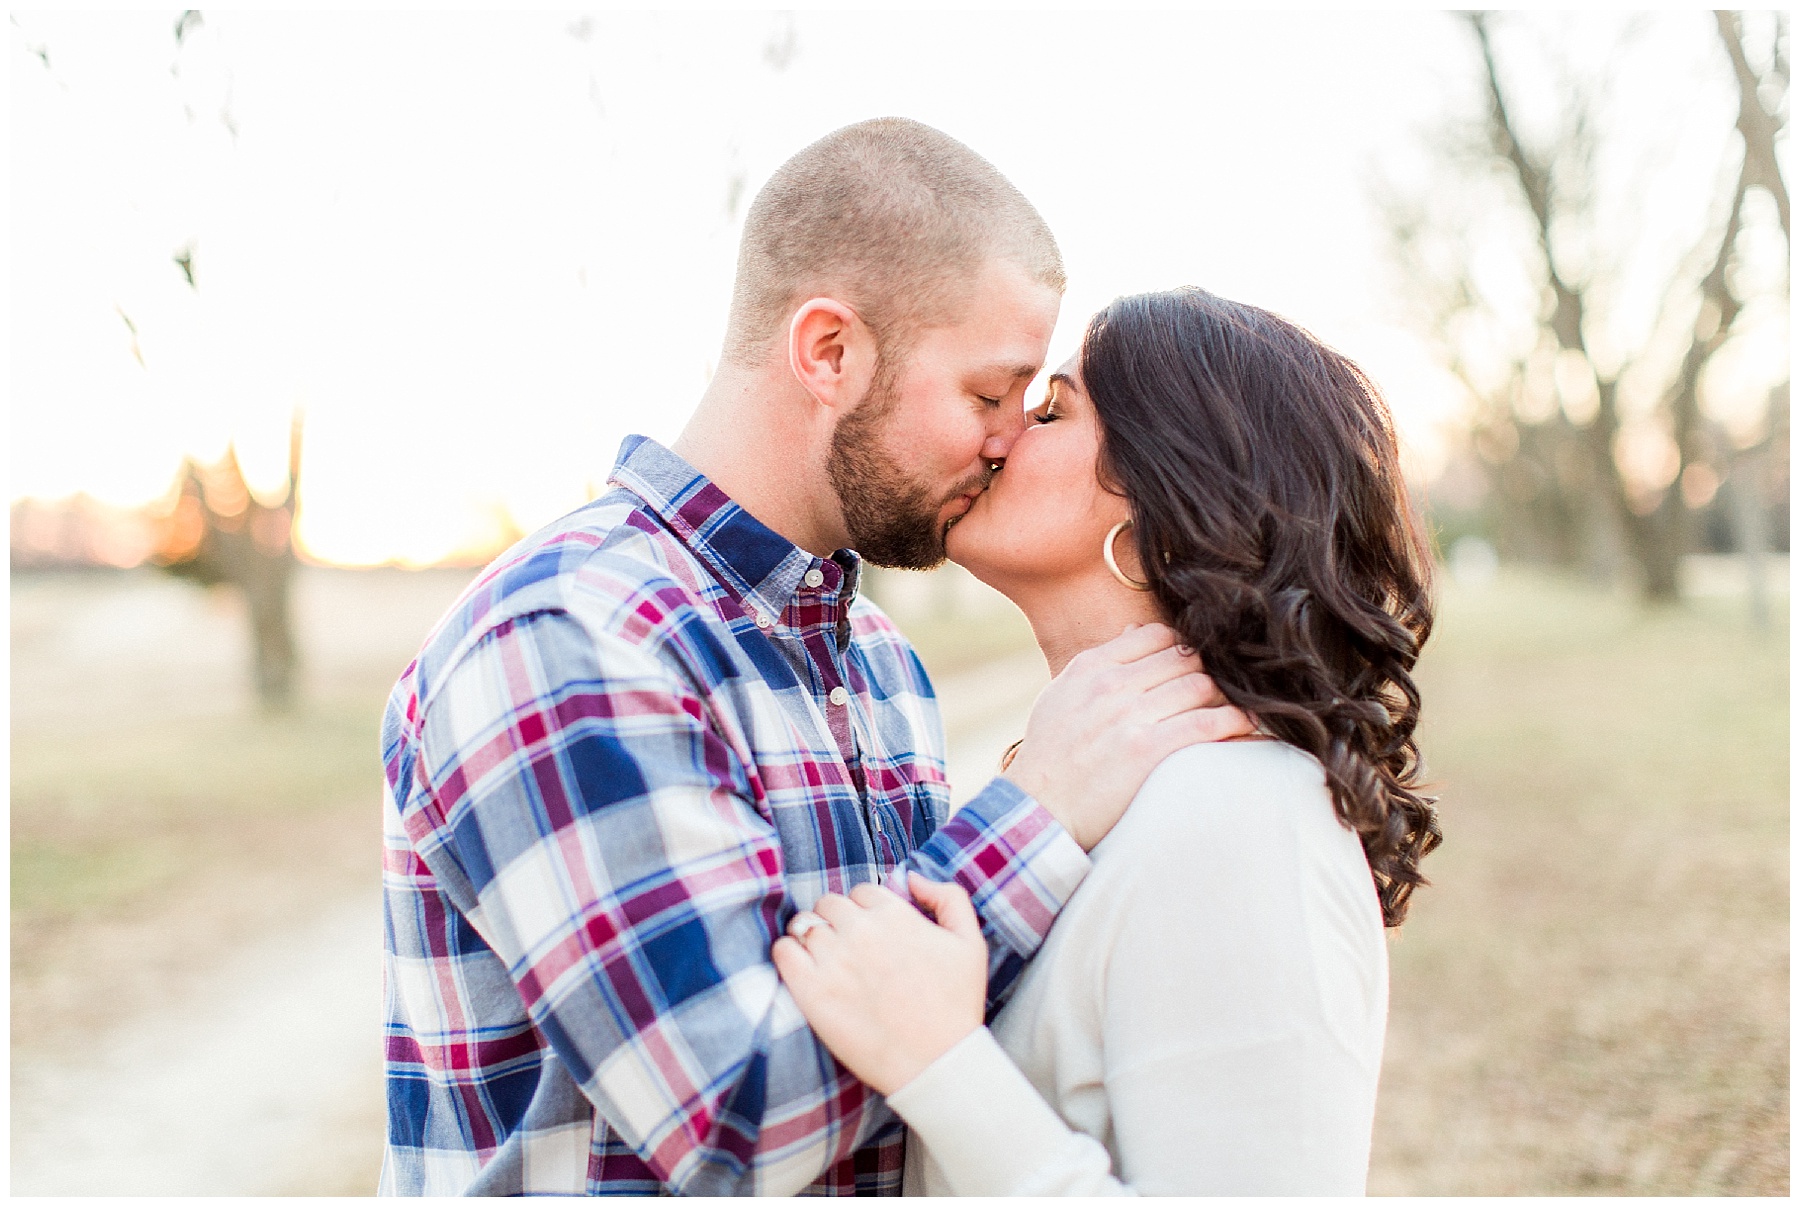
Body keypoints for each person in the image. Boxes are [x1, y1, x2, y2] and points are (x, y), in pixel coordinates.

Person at [377, 121, 1252, 1196]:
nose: (1005, 441)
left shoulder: (880, 662)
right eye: (988, 393)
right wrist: (1039, 812)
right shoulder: (569, 636)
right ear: (829, 352)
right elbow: (735, 1123)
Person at [775, 287, 1443, 1195]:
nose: (1000, 432)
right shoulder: (1107, 795)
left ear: (1164, 506)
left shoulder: (1244, 816)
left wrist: (942, 1066)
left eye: (1053, 409)